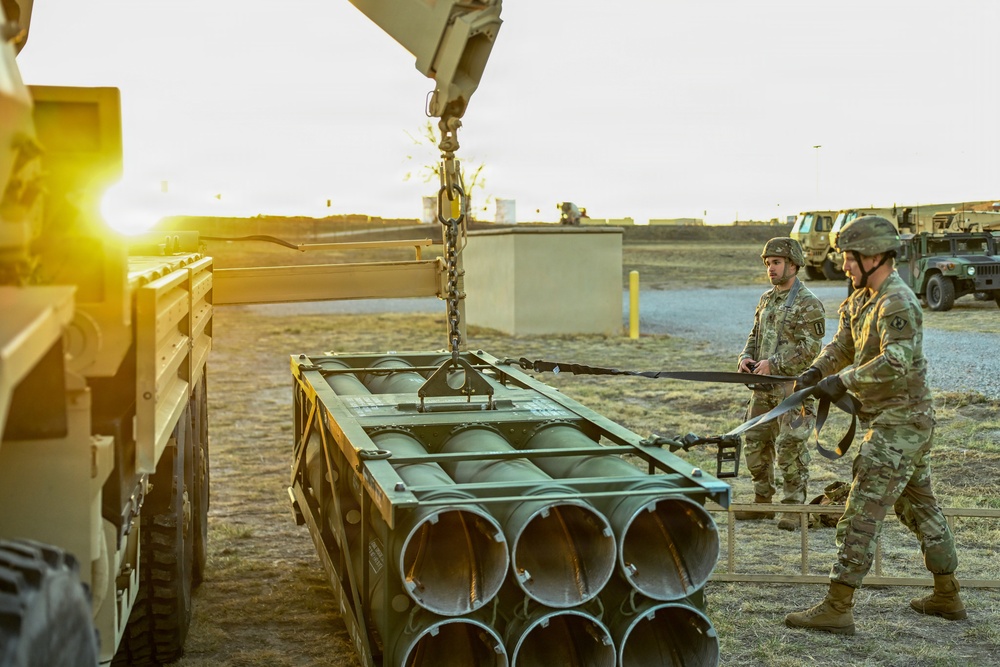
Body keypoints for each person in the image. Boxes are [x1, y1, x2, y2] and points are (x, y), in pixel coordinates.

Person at [785, 215, 965, 635]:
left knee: (861, 510)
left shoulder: (897, 301)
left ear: (873, 256)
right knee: (919, 507)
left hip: (900, 424)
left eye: (849, 258)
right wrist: (815, 373)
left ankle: (838, 605)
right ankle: (947, 594)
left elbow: (896, 361)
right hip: (896, 422)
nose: (844, 265)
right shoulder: (862, 297)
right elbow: (843, 344)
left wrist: (841, 381)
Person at [736, 237, 826, 530]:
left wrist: (773, 364)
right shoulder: (767, 299)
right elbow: (755, 334)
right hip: (762, 390)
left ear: (794, 264)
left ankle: (793, 508)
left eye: (776, 263)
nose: (770, 269)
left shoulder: (808, 303)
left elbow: (811, 347)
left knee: (791, 446)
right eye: (767, 264)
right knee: (754, 443)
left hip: (792, 390)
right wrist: (745, 358)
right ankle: (763, 503)